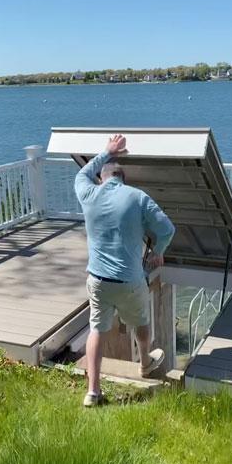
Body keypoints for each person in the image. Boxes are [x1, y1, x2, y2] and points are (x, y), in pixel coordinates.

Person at [75, 134, 176, 407]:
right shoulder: (137, 197)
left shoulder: (88, 193)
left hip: (97, 279)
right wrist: (158, 252)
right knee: (141, 322)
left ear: (102, 178)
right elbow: (167, 229)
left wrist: (107, 151)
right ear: (123, 179)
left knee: (96, 329)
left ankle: (93, 392)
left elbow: (84, 172)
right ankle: (145, 363)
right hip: (130, 280)